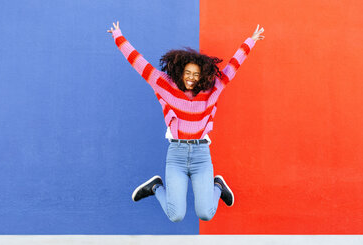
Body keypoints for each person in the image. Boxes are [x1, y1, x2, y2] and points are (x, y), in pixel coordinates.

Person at [107, 21, 264, 222]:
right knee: (176, 215)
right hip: (177, 156)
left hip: (201, 156)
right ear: (180, 71)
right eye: (188, 73)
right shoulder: (165, 85)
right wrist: (118, 37)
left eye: (196, 75)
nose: (191, 78)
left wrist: (250, 41)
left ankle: (218, 186)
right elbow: (139, 63)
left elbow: (233, 66)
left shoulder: (212, 89)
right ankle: (156, 187)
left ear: (202, 77)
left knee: (205, 213)